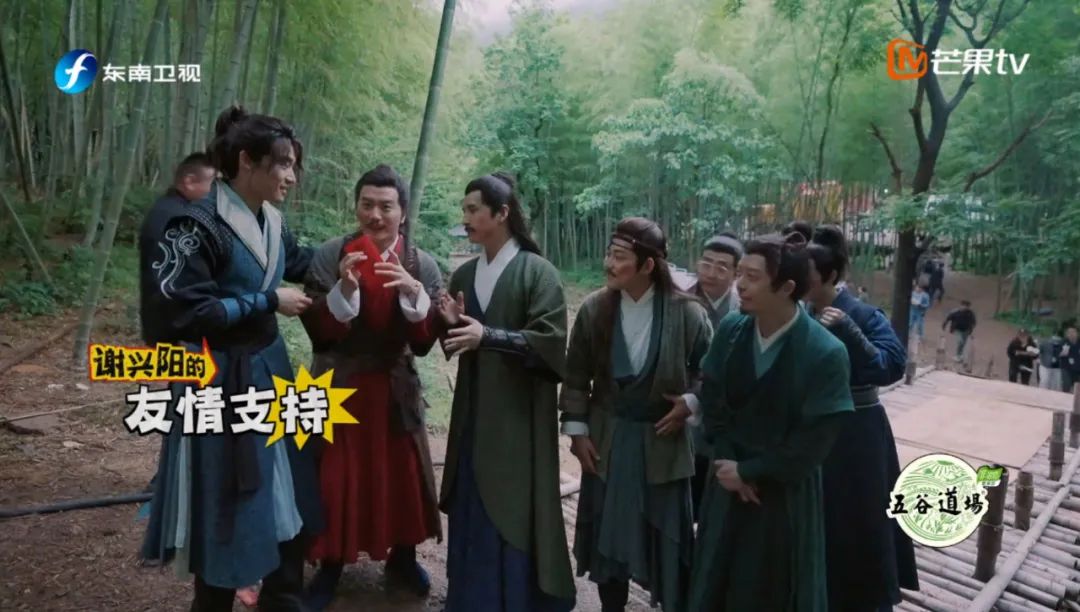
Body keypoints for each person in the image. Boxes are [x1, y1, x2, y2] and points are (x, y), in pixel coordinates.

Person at [139, 106, 322, 612]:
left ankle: (283, 597)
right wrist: (267, 301)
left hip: (269, 368)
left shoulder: (271, 220)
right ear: (246, 161)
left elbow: (297, 261)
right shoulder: (193, 223)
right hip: (218, 378)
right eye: (283, 164)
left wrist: (353, 254)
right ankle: (214, 602)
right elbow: (184, 313)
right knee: (222, 500)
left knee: (287, 488)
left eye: (293, 166)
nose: (291, 177)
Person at [298, 165, 442, 609]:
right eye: (367, 205)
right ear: (356, 206)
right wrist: (343, 289)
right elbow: (318, 332)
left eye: (386, 206)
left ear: (403, 212)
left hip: (394, 386)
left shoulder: (420, 263)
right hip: (338, 381)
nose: (375, 215)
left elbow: (423, 344)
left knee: (402, 476)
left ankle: (403, 557)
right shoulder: (331, 254)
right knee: (334, 478)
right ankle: (331, 563)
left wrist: (414, 295)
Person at [688, 232, 854, 611]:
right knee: (715, 578)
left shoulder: (825, 352)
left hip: (783, 493)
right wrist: (728, 462)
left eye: (753, 277)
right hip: (725, 477)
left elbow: (814, 442)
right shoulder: (732, 330)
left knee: (773, 588)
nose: (740, 285)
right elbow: (712, 397)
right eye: (740, 274)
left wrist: (751, 471)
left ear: (787, 288)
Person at [436, 173, 576, 611]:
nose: (466, 218)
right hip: (473, 411)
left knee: (512, 505)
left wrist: (488, 335)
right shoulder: (465, 273)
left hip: (517, 418)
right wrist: (451, 324)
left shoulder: (538, 273)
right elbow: (455, 344)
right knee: (473, 503)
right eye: (464, 210)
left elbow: (551, 344)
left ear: (502, 213)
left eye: (473, 209)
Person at [561, 218, 711, 611]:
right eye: (609, 254)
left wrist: (690, 402)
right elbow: (575, 375)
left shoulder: (687, 314)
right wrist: (577, 434)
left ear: (647, 265)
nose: (608, 264)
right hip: (608, 441)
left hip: (663, 442)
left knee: (666, 546)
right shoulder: (595, 309)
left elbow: (710, 372)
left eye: (619, 257)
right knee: (609, 546)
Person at [806, 225, 918, 612]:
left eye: (807, 273)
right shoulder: (799, 313)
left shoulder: (865, 315)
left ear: (831, 275)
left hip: (858, 435)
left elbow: (891, 366)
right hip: (812, 429)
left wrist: (851, 331)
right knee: (815, 517)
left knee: (860, 521)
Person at [686, 234, 742, 516]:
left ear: (736, 273)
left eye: (721, 267)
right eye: (706, 263)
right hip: (685, 412)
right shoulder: (681, 302)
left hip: (729, 415)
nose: (711, 273)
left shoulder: (744, 308)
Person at [138, 152, 216, 345]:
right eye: (214, 184)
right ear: (189, 181)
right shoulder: (178, 219)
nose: (217, 192)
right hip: (176, 328)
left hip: (164, 323)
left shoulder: (167, 208)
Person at [1062, 326, 1080, 393]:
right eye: (1069, 332)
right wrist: (1063, 352)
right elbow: (1059, 354)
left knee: (1077, 388)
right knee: (1066, 386)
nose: (1071, 334)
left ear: (1077, 333)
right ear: (1067, 334)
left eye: (1073, 332)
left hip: (1078, 369)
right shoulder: (1063, 342)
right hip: (1067, 369)